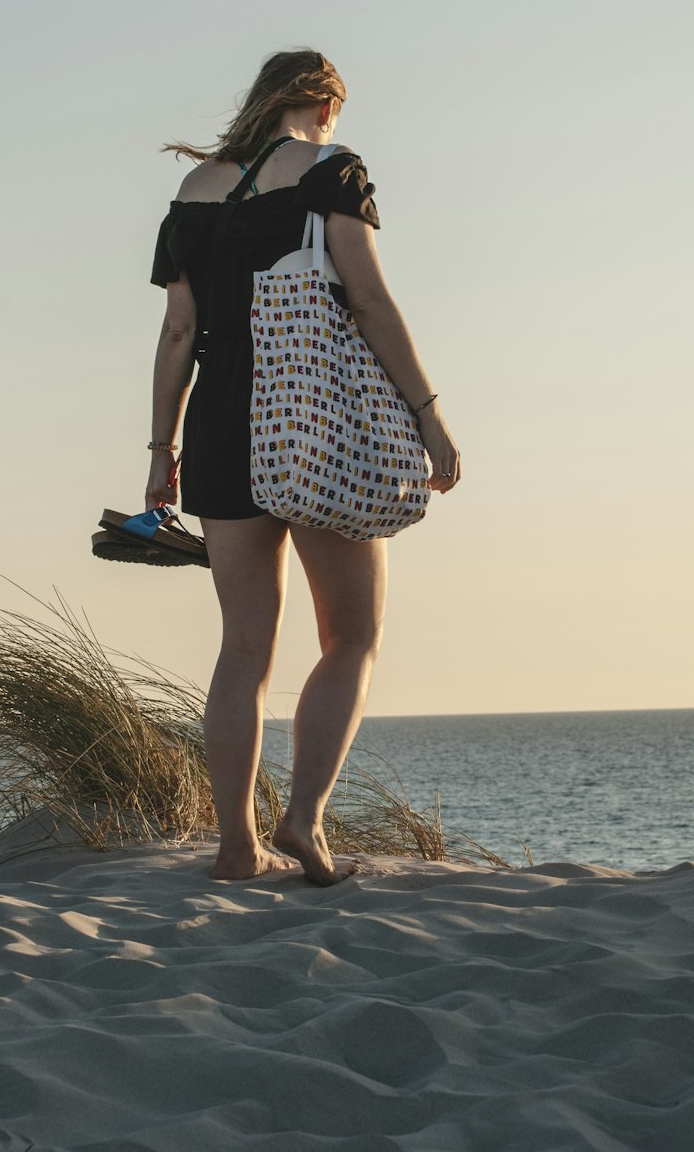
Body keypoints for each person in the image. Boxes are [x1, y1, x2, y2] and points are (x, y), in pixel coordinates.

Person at [147, 49, 460, 885]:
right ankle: (304, 825)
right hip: (315, 419)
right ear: (321, 103)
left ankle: (235, 846)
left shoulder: (194, 192)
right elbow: (367, 298)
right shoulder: (332, 171)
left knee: (243, 647)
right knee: (351, 635)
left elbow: (179, 332)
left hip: (218, 422)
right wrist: (430, 420)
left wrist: (160, 453)